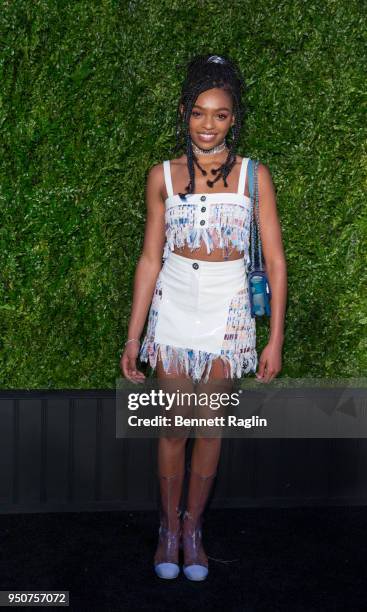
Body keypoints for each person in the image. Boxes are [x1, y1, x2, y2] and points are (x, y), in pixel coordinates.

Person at [120, 54, 287, 581]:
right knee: (174, 425)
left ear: (233, 118)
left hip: (229, 307)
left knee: (209, 427)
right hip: (173, 303)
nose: (208, 124)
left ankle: (194, 531)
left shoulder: (253, 177)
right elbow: (149, 258)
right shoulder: (162, 177)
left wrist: (274, 339)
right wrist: (132, 337)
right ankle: (167, 530)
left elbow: (277, 262)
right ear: (184, 114)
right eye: (198, 113)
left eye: (219, 114)